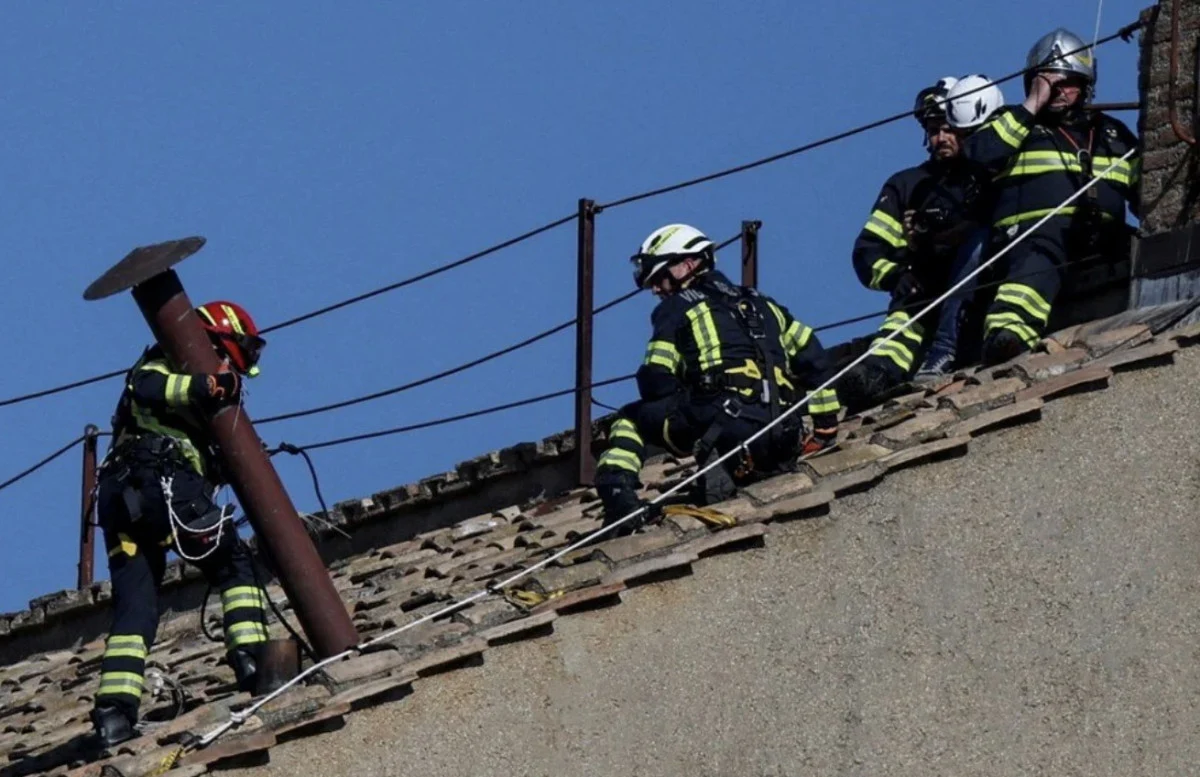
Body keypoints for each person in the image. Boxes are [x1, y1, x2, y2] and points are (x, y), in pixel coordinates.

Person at [90, 301, 271, 747]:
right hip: (162, 482)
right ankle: (253, 660)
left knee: (137, 609)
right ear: (221, 339)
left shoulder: (189, 399)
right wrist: (208, 384)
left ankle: (114, 714)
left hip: (121, 500)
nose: (235, 368)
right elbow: (149, 387)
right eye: (239, 352)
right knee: (234, 564)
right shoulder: (163, 363)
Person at [594, 224, 841, 533]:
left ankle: (619, 500)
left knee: (628, 420)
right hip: (785, 434)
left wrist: (688, 394)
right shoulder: (765, 304)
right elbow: (814, 360)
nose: (656, 290)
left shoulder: (677, 307)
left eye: (658, 278)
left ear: (687, 265)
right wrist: (825, 427)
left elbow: (654, 380)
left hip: (722, 423)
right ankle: (738, 468)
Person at [963, 28, 1140, 365]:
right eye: (1049, 82)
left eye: (1068, 82)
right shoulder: (1014, 123)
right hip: (1031, 239)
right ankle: (1008, 334)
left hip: (1100, 238)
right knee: (1041, 252)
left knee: (1144, 247)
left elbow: (1147, 193)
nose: (1059, 90)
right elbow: (978, 155)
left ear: (1086, 85)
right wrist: (1032, 105)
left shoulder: (1112, 133)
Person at [838, 75, 1003, 410]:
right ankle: (876, 376)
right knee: (893, 339)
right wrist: (898, 277)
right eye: (932, 130)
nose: (941, 138)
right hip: (920, 297)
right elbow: (867, 252)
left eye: (948, 128)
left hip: (978, 294)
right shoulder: (907, 185)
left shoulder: (991, 173)